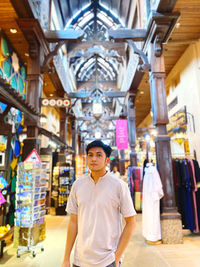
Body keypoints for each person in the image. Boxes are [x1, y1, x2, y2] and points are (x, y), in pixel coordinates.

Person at [61, 140, 136, 267]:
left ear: (107, 160)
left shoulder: (119, 186)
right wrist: (66, 258)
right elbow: (73, 222)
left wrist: (117, 256)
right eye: (90, 155)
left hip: (108, 260)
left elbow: (131, 222)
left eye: (99, 155)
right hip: (80, 260)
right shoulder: (78, 185)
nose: (93, 159)